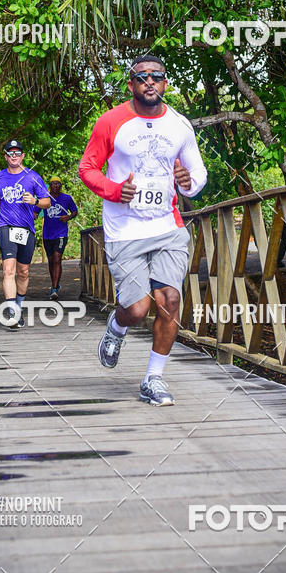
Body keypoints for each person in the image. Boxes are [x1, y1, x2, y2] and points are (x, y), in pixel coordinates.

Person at [78, 54, 207, 405]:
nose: (150, 81)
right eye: (142, 76)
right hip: (125, 229)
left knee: (170, 300)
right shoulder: (111, 122)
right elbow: (87, 168)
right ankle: (117, 327)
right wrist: (115, 191)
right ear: (132, 84)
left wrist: (188, 182)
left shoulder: (179, 125)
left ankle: (154, 378)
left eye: (157, 76)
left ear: (165, 84)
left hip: (168, 226)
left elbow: (198, 175)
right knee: (136, 309)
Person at [0, 139, 50, 329]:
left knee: (23, 273)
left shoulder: (32, 177)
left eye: (17, 153)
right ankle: (12, 312)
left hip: (26, 229)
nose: (14, 156)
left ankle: (18, 307)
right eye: (10, 153)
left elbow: (47, 202)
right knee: (9, 270)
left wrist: (35, 201)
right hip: (6, 226)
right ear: (5, 156)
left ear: (22, 156)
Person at [40, 176, 78, 299]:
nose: (55, 186)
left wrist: (68, 217)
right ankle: (54, 285)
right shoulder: (45, 198)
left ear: (61, 186)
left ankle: (54, 289)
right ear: (50, 186)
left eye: (58, 184)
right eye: (53, 184)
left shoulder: (66, 198)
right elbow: (35, 211)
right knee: (51, 261)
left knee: (57, 258)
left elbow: (74, 211)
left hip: (61, 233)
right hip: (47, 234)